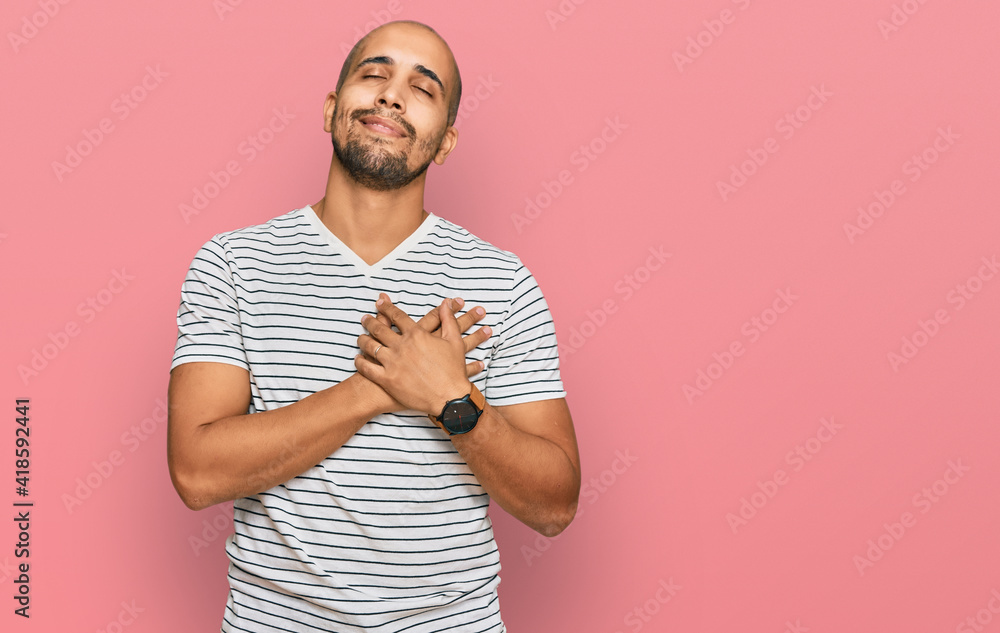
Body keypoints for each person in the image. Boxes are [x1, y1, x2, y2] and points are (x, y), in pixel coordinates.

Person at [167, 19, 580, 633]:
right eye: (374, 74)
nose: (391, 93)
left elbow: (554, 504)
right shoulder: (234, 264)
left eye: (423, 87)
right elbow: (197, 473)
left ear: (445, 143)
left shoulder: (502, 282)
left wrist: (451, 399)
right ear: (333, 108)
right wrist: (381, 385)